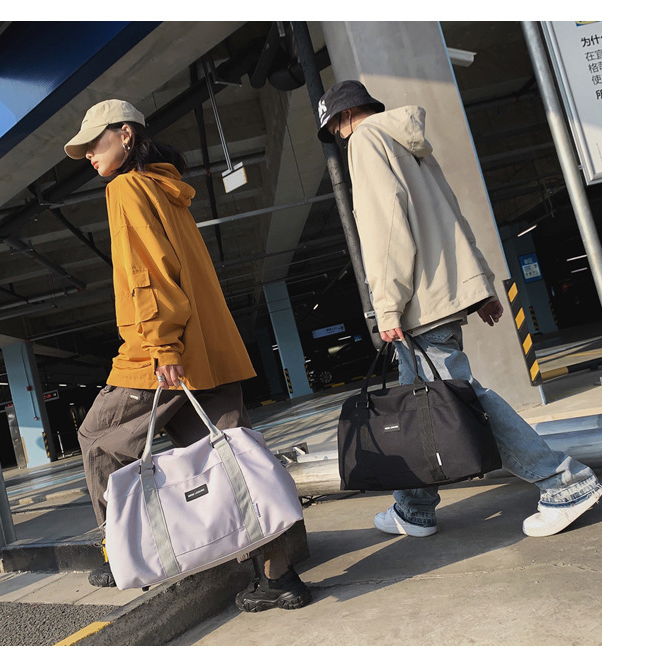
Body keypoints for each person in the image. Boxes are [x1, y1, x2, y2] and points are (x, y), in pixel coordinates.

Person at [315, 80, 601, 539]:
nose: (337, 136)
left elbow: (386, 231)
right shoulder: (408, 143)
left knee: (464, 402)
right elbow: (453, 217)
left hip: (420, 302)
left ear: (343, 117)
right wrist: (479, 286)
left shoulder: (366, 141)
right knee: (422, 403)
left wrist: (387, 306)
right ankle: (414, 507)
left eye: (333, 128)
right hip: (440, 293)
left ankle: (564, 482)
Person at [64, 99, 310, 612]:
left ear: (126, 134)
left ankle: (122, 550)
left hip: (162, 353)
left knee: (98, 438)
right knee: (235, 461)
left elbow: (148, 273)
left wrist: (161, 346)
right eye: (83, 147)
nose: (88, 153)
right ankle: (279, 576)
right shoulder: (168, 189)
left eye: (95, 141)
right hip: (209, 351)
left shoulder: (126, 188)